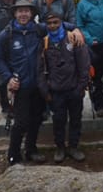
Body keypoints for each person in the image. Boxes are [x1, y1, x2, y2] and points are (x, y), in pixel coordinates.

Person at [0, 0, 48, 166]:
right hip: (20, 85)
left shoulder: (39, 30)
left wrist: (74, 30)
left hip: (38, 84)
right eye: (20, 11)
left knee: (37, 119)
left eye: (27, 11)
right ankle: (13, 155)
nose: (23, 14)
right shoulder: (6, 35)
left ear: (32, 13)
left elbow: (59, 25)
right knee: (21, 122)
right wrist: (8, 78)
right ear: (15, 13)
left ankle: (31, 150)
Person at [38, 11, 90, 163]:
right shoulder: (44, 42)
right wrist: (45, 91)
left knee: (76, 119)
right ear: (46, 25)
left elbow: (84, 65)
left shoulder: (73, 38)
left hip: (74, 89)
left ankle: (74, 147)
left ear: (61, 22)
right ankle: (60, 147)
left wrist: (81, 87)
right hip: (55, 91)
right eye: (50, 23)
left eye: (56, 22)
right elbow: (40, 69)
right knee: (58, 121)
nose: (53, 25)